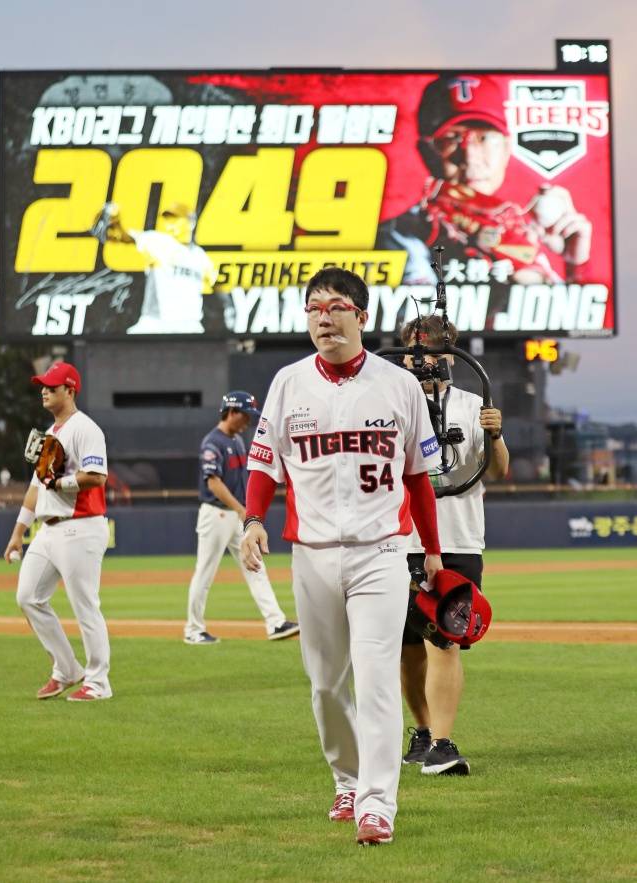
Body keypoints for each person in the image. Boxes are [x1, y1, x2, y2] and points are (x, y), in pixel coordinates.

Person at [240, 267, 443, 846]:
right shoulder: (287, 383)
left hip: (381, 552)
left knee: (376, 677)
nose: (322, 317)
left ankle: (378, 804)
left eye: (334, 306)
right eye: (312, 309)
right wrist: (254, 520)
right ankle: (347, 779)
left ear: (362, 316)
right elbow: (262, 464)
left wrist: (430, 549)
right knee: (326, 684)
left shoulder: (398, 385)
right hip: (313, 554)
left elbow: (419, 479)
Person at [399, 315, 509, 774]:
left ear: (451, 357)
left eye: (435, 351)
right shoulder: (389, 403)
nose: (423, 359)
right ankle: (423, 731)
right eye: (415, 351)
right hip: (399, 538)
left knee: (445, 639)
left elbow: (498, 471)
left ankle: (443, 744)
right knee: (406, 646)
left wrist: (496, 435)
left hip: (458, 535)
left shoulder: (471, 403)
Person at [378, 74, 592, 289]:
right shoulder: (399, 235)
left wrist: (576, 266)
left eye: (484, 138)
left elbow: (573, 319)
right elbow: (423, 318)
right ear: (427, 152)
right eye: (452, 139)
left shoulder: (519, 231)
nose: (470, 158)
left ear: (507, 149)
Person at [3, 362, 112, 701]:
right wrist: (17, 532)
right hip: (48, 530)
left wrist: (59, 480)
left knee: (84, 606)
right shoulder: (51, 434)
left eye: (52, 385)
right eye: (43, 385)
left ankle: (98, 682)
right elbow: (37, 489)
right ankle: (67, 669)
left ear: (70, 389)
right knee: (28, 597)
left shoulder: (85, 428)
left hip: (80, 526)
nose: (44, 390)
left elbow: (97, 476)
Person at [184, 390, 299, 645]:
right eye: (245, 415)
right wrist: (240, 509)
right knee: (205, 572)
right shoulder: (212, 442)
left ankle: (276, 622)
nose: (248, 421)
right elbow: (213, 483)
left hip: (236, 515)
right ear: (232, 412)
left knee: (256, 565)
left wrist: (243, 510)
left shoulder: (236, 440)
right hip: (216, 514)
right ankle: (193, 629)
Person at [92, 201, 216, 334]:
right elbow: (122, 235)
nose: (170, 223)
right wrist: (113, 222)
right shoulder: (159, 242)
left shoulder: (202, 257)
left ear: (191, 222)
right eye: (168, 219)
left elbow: (214, 286)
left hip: (190, 326)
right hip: (157, 324)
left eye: (175, 219)